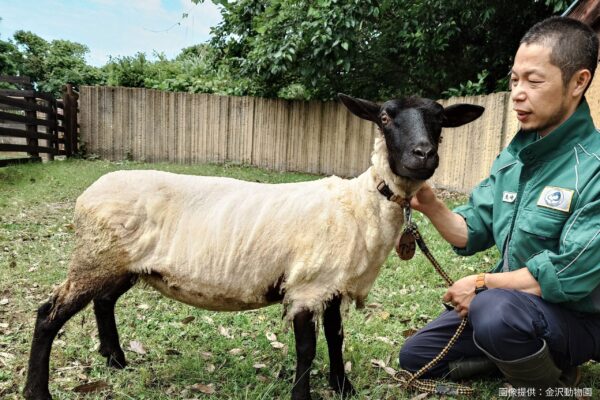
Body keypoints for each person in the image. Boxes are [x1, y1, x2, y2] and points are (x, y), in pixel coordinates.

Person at [398, 16, 600, 396]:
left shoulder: (594, 166)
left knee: (492, 312)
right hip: (513, 307)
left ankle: (556, 378)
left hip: (579, 318)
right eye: (514, 80)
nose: (518, 93)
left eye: (534, 81)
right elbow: (473, 230)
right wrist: (432, 207)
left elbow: (571, 272)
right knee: (416, 356)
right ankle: (513, 349)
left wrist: (482, 284)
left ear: (578, 82)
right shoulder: (514, 157)